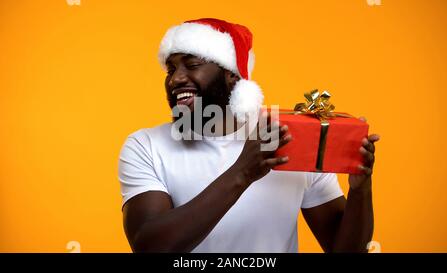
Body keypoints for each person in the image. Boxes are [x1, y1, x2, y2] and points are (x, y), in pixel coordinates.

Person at [118, 18, 380, 253]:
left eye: (192, 65)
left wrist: (360, 190)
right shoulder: (146, 145)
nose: (175, 79)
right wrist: (242, 172)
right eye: (171, 69)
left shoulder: (288, 138)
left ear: (231, 74)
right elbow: (150, 246)